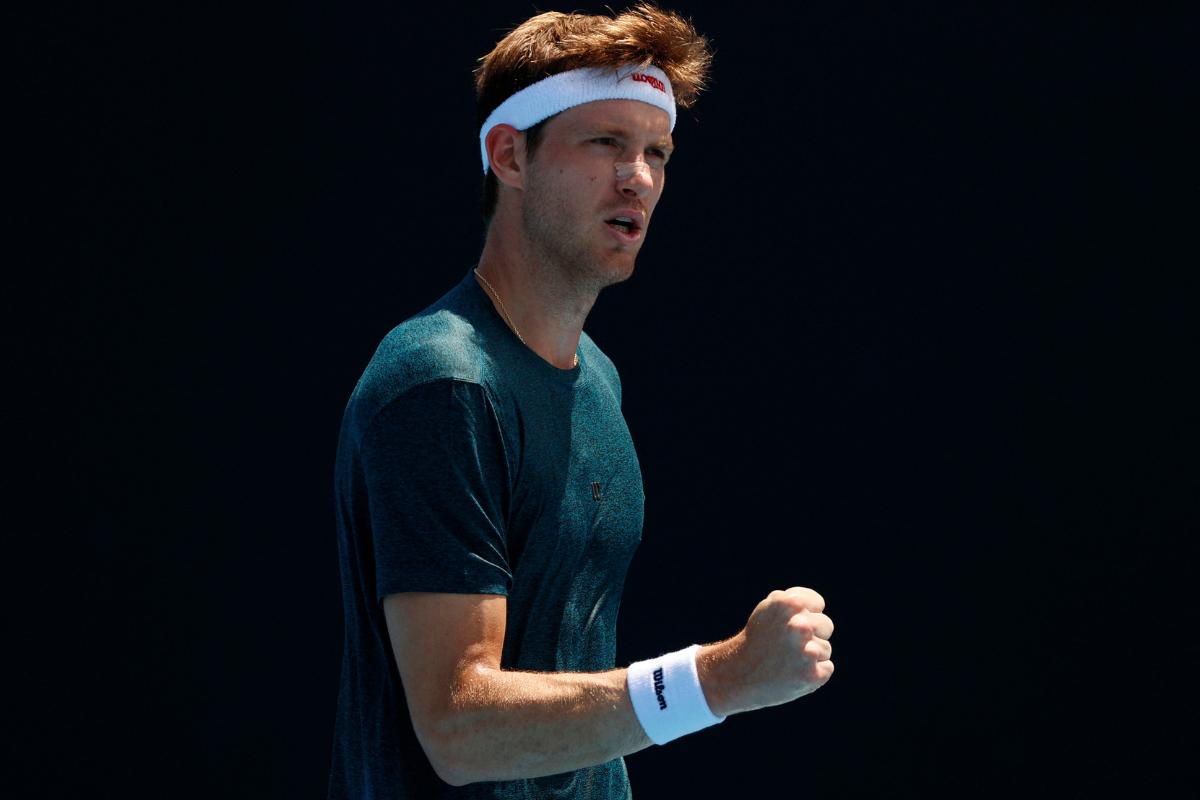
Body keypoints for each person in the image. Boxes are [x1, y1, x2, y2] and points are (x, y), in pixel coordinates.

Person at [327, 4, 835, 798]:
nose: (638, 176)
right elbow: (459, 727)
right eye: (605, 143)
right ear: (509, 155)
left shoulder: (596, 376)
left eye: (656, 151)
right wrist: (717, 680)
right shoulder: (440, 382)